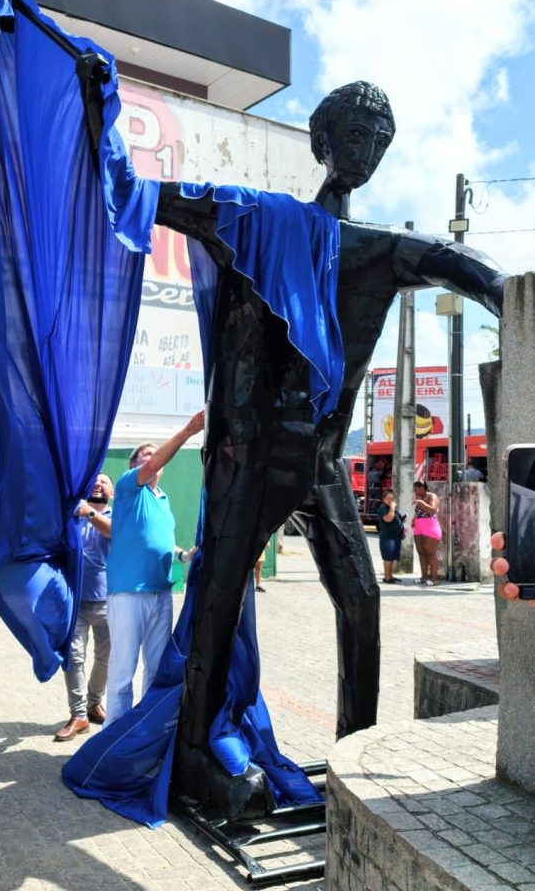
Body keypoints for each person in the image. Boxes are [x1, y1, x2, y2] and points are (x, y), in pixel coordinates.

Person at [79, 65, 505, 812]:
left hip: (322, 462)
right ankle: (195, 753)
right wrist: (94, 108)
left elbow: (467, 267)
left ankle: (354, 751)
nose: (366, 145)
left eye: (380, 136)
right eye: (354, 131)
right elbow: (136, 193)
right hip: (249, 459)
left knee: (362, 599)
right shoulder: (249, 217)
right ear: (322, 139)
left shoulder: (380, 250)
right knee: (218, 591)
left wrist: (516, 302)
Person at [104, 411, 204, 725]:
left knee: (156, 667)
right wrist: (189, 430)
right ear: (133, 465)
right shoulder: (128, 488)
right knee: (123, 668)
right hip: (129, 593)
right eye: (144, 454)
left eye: (153, 451)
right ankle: (114, 733)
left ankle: (144, 730)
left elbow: (159, 542)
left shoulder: (162, 499)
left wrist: (184, 556)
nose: (151, 456)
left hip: (162, 592)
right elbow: (153, 464)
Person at [54, 473, 113, 742]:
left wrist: (88, 512)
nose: (99, 484)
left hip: (110, 601)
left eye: (105, 481)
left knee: (105, 658)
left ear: (112, 491)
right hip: (74, 602)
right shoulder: (70, 516)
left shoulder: (119, 514)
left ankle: (94, 703)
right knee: (74, 658)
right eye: (94, 481)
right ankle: (78, 715)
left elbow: (114, 532)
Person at [413, 480, 442, 586]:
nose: (414, 492)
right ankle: (424, 577)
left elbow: (431, 510)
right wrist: (414, 519)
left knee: (430, 553)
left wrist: (420, 503)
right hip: (418, 527)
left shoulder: (432, 496)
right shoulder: (419, 498)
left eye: (416, 489)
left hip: (430, 527)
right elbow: (420, 512)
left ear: (422, 488)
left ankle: (434, 579)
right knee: (421, 553)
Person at [376, 489, 404, 584]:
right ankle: (387, 578)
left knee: (391, 558)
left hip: (395, 536)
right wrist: (392, 508)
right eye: (388, 498)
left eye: (392, 498)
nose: (390, 500)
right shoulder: (383, 508)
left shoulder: (391, 508)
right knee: (388, 558)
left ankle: (390, 576)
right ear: (383, 499)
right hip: (388, 537)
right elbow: (388, 519)